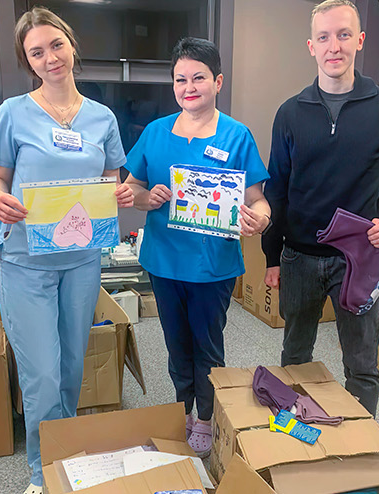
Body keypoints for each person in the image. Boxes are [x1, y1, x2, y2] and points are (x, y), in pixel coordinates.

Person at [0, 6, 127, 494]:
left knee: (70, 366)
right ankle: (42, 471)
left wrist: (120, 192)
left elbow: (110, 178)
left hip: (81, 259)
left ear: (71, 44)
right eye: (37, 52)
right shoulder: (13, 113)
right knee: (41, 371)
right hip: (25, 259)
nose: (50, 58)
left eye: (56, 45)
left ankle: (65, 453)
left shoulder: (101, 117)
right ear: (29, 62)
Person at [262, 0, 379, 413]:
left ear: (360, 40)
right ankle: (294, 439)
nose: (334, 46)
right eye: (324, 37)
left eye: (342, 35)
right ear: (311, 46)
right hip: (299, 256)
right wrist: (272, 256)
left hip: (358, 258)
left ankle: (362, 456)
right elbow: (278, 189)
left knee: (361, 364)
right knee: (295, 358)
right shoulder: (290, 113)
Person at [114, 37, 271, 456]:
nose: (189, 86)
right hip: (164, 261)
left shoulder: (237, 136)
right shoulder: (155, 132)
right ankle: (183, 409)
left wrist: (262, 217)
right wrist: (148, 198)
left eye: (198, 77)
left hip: (212, 266)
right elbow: (133, 190)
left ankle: (206, 415)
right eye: (180, 79)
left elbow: (257, 197)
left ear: (217, 81)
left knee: (207, 345)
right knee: (175, 344)